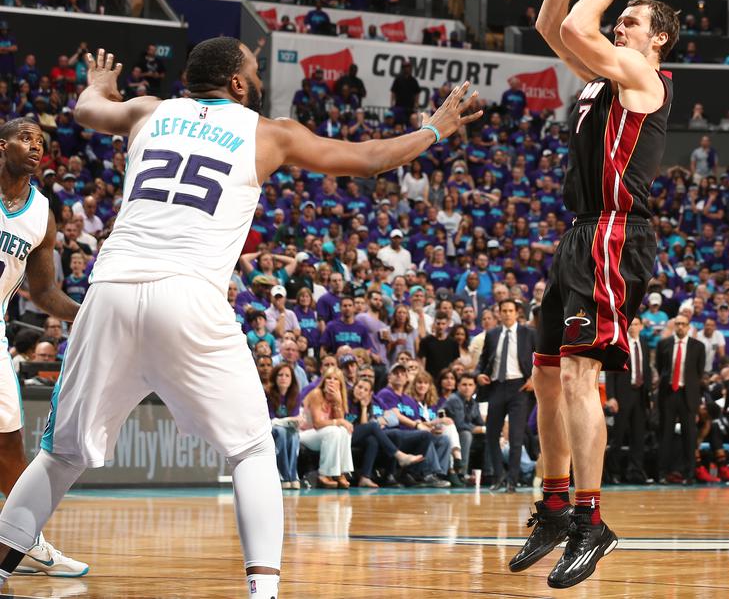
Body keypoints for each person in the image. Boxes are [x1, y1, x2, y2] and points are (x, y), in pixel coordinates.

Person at [0, 41, 480, 599]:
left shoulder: (149, 110)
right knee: (251, 450)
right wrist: (435, 129)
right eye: (252, 72)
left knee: (61, 454)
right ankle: (263, 593)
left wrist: (101, 84)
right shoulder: (268, 132)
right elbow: (371, 157)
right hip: (188, 291)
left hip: (109, 289)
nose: (256, 79)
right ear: (235, 83)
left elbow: (86, 109)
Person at [509, 0, 677, 589]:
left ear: (656, 38)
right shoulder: (603, 78)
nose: (621, 27)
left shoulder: (641, 75)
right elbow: (553, 27)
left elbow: (579, 26)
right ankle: (553, 505)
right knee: (546, 374)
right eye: (624, 19)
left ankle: (590, 520)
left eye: (634, 20)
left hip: (616, 234)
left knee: (580, 376)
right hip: (581, 233)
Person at [0, 118, 88, 577]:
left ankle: (24, 540)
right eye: (26, 138)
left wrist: (91, 310)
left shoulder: (42, 214)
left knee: (8, 446)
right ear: (3, 144)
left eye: (43, 142)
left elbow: (43, 294)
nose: (36, 147)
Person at [475, 299, 535, 492]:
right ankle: (499, 476)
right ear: (499, 313)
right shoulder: (492, 335)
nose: (507, 314)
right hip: (496, 386)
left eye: (511, 310)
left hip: (519, 387)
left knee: (516, 436)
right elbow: (483, 360)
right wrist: (478, 374)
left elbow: (542, 359)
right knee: (491, 434)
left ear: (517, 313)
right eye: (504, 310)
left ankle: (512, 480)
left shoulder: (529, 333)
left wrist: (534, 378)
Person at [655, 315, 705, 483]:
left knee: (689, 436)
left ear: (689, 326)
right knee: (665, 435)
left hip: (688, 394)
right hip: (668, 394)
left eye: (683, 324)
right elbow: (660, 367)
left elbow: (699, 374)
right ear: (673, 326)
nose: (680, 327)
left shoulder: (698, 346)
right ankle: (662, 473)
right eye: (677, 324)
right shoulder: (664, 344)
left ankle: (689, 474)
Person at [605, 318, 652, 484]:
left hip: (640, 395)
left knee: (638, 437)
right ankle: (615, 473)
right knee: (618, 436)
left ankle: (635, 472)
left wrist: (649, 397)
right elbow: (610, 372)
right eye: (630, 324)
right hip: (622, 395)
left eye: (636, 324)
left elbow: (647, 371)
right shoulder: (618, 344)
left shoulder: (645, 345)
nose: (633, 327)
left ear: (641, 327)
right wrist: (611, 396)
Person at [299, 368, 355, 488]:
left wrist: (338, 403)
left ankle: (341, 472)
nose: (331, 381)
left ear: (340, 383)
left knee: (344, 431)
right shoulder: (316, 393)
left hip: (322, 435)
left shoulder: (340, 397)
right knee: (334, 431)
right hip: (305, 433)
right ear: (323, 381)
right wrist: (339, 421)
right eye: (328, 378)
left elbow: (341, 423)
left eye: (335, 379)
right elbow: (317, 424)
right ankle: (324, 473)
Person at [265, 364, 301, 490]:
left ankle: (292, 475)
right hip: (270, 430)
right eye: (280, 375)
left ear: (292, 379)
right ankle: (283, 475)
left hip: (286, 429)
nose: (283, 378)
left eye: (287, 375)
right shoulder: (268, 393)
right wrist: (289, 420)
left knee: (294, 434)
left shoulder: (295, 395)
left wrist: (292, 421)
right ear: (275, 377)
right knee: (281, 432)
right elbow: (270, 421)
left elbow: (295, 420)